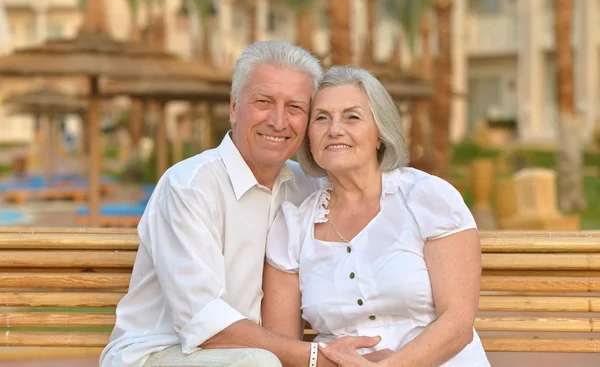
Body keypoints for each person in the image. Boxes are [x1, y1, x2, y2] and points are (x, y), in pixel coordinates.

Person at [100, 42, 380, 367]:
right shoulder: (189, 186)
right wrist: (320, 357)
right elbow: (204, 323)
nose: (278, 121)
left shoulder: (310, 189)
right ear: (234, 107)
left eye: (295, 108)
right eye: (263, 102)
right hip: (158, 355)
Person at [262, 66, 491, 367]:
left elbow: (458, 324)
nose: (334, 129)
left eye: (352, 117)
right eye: (321, 118)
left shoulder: (427, 198)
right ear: (309, 137)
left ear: (379, 135)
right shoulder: (292, 227)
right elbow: (284, 349)